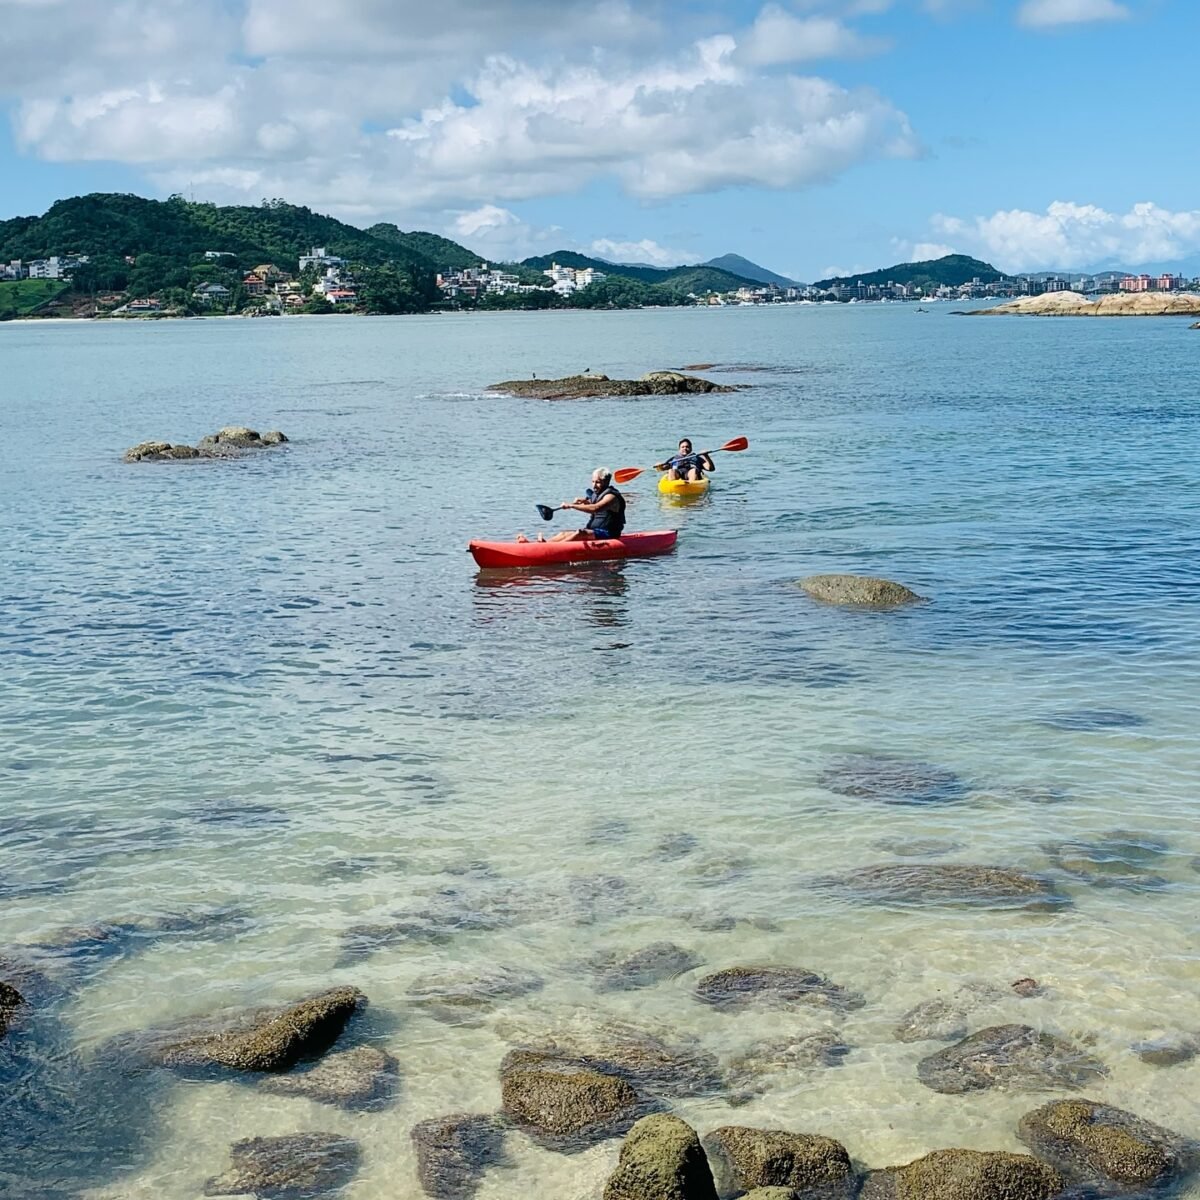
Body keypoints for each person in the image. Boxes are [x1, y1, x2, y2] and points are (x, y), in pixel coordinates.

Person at [516, 468, 626, 543]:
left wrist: (572, 506)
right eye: (593, 482)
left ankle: (554, 549)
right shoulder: (597, 494)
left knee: (580, 533)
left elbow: (596, 508)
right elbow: (593, 503)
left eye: (597, 482)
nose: (594, 485)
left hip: (608, 534)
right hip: (594, 531)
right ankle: (541, 545)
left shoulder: (612, 496)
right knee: (563, 534)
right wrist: (584, 502)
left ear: (606, 481)